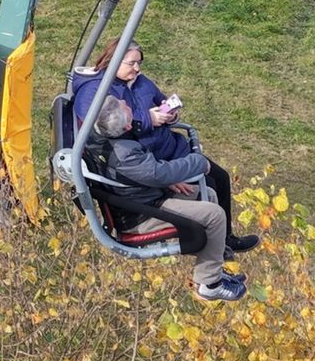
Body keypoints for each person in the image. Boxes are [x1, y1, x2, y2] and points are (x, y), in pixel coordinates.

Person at [73, 38, 259, 256]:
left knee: (220, 177)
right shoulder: (97, 91)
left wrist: (169, 115)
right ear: (114, 60)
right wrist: (148, 120)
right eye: (131, 63)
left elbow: (160, 100)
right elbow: (109, 129)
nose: (137, 68)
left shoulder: (139, 82)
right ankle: (217, 249)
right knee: (206, 186)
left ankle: (225, 239)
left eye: (139, 62)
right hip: (154, 155)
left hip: (168, 146)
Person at [88, 96, 245, 302]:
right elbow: (159, 172)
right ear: (126, 125)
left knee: (207, 194)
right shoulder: (124, 154)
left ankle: (211, 267)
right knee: (214, 215)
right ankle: (210, 286)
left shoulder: (103, 138)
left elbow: (146, 174)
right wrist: (198, 163)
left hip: (143, 195)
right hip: (143, 214)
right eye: (123, 105)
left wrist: (161, 181)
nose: (124, 101)